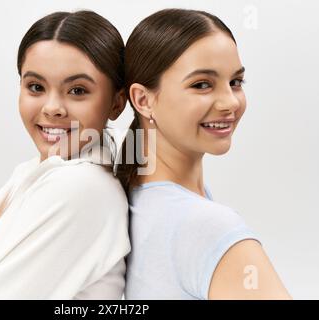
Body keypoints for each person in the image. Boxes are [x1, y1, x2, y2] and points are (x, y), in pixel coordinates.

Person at [0, 10, 130, 299]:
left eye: (77, 90)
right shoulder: (35, 172)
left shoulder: (83, 188)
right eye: (36, 87)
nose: (52, 108)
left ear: (116, 103)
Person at [116, 8, 291, 299]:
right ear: (143, 100)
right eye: (202, 85)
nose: (230, 102)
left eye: (236, 82)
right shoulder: (207, 226)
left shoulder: (132, 201)